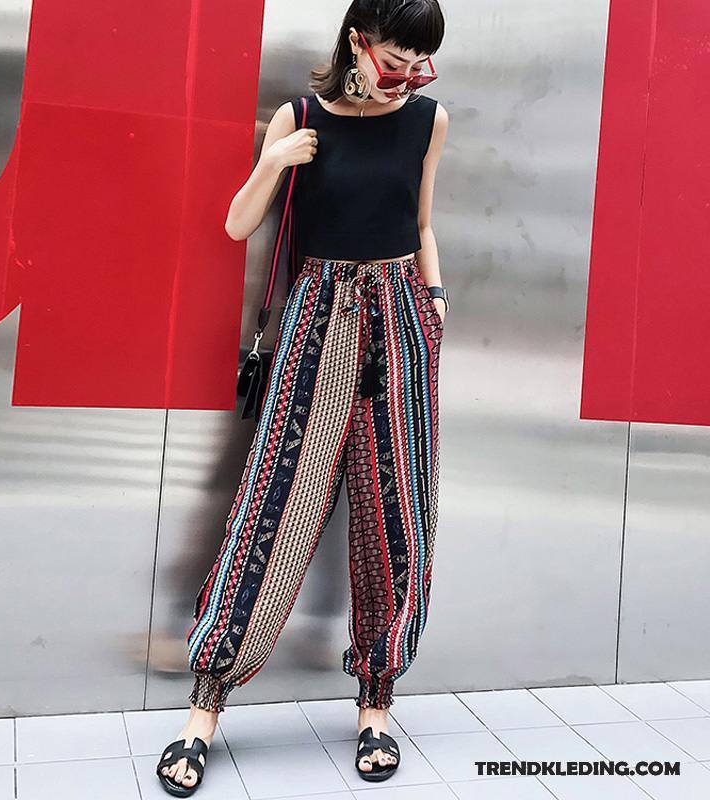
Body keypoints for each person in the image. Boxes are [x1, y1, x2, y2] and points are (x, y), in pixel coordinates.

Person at [157, 0, 449, 794]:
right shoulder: (298, 114)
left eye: (422, 64)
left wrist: (436, 295)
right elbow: (234, 224)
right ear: (358, 42)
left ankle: (376, 707)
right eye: (397, 59)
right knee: (273, 505)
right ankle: (204, 708)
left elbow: (420, 221)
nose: (409, 78)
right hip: (318, 318)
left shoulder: (429, 120)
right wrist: (274, 159)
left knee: (396, 514)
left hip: (401, 319)